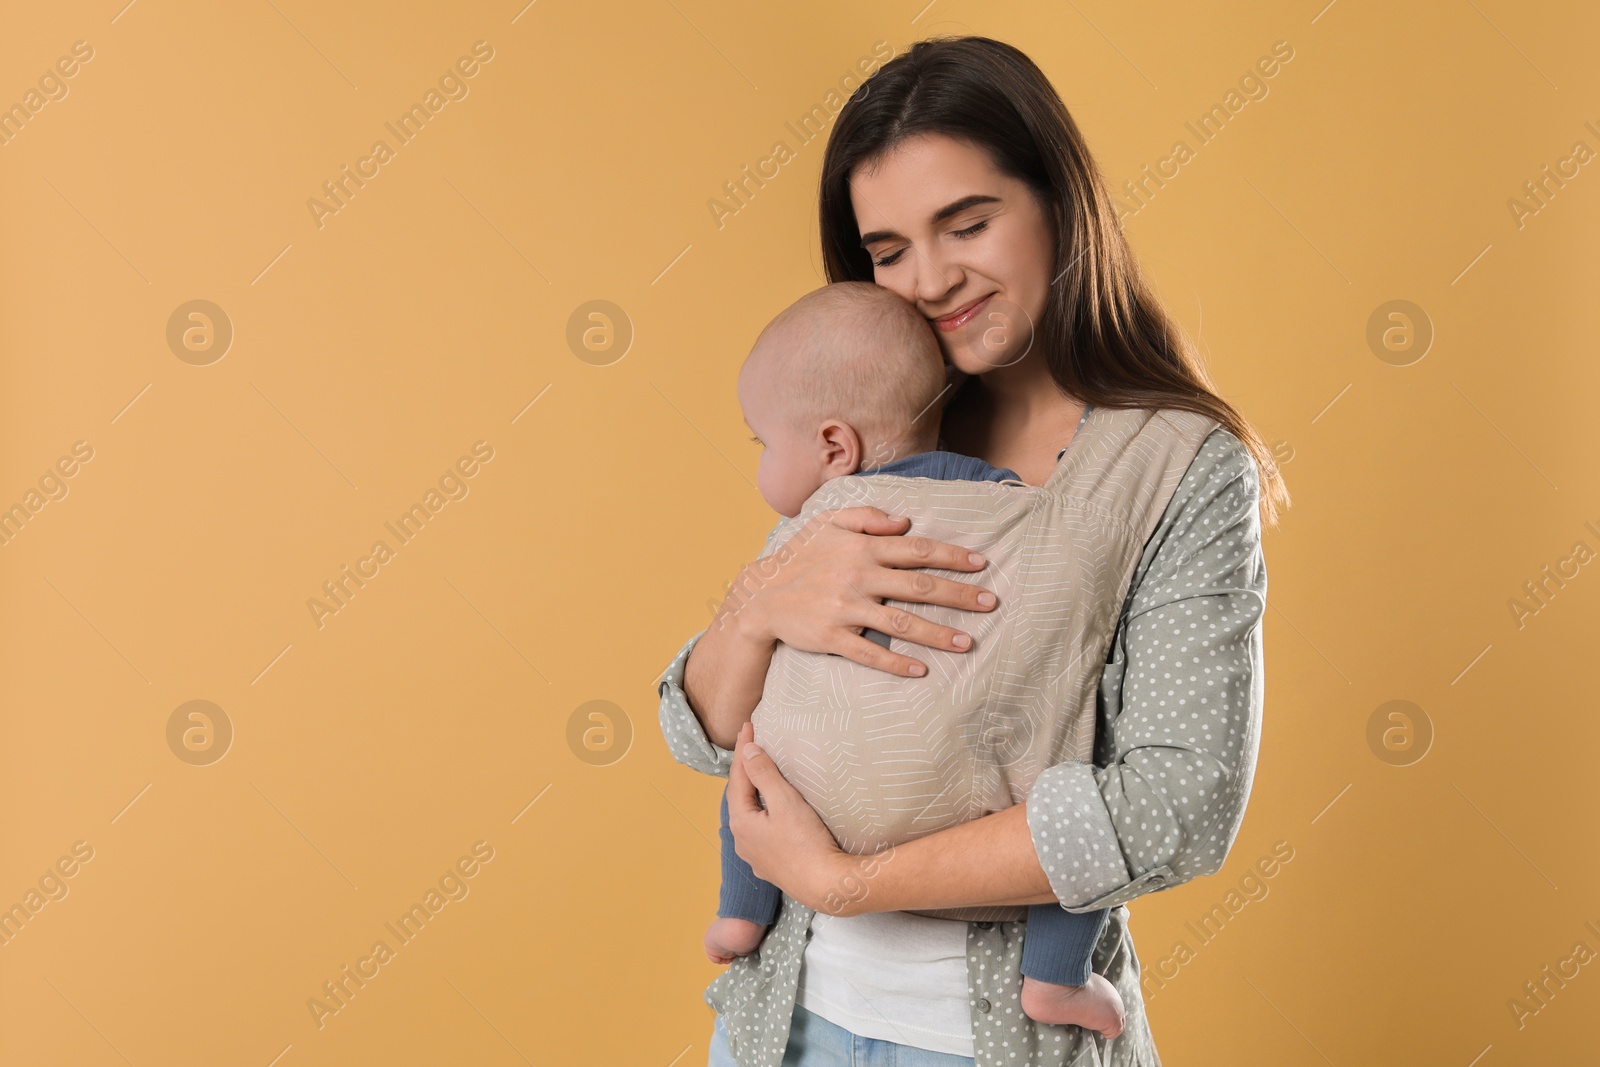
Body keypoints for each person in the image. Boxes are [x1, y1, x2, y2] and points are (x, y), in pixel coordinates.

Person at [657, 34, 1286, 1067]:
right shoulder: (872, 429)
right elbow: (704, 733)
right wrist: (756, 609)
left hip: (1000, 1039)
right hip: (776, 1025)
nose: (931, 278)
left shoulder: (1172, 464)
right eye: (889, 249)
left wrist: (844, 881)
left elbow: (1178, 806)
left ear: (1056, 203)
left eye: (967, 222)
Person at [703, 280, 1125, 1040]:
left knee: (754, 758)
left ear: (836, 447)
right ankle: (1054, 979)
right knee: (1072, 808)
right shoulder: (1025, 508)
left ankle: (740, 912)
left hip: (812, 808)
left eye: (764, 442)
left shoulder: (809, 532)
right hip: (977, 819)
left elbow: (715, 719)